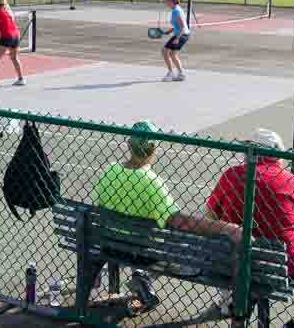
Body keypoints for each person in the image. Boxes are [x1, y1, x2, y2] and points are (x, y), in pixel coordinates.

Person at [94, 120, 242, 310]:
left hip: (110, 245)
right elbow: (179, 222)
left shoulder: (109, 171)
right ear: (154, 148)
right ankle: (144, 275)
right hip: (142, 253)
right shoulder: (153, 183)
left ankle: (141, 280)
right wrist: (226, 227)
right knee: (181, 239)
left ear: (129, 145)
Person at [206, 128, 294, 321]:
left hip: (233, 261)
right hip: (283, 265)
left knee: (223, 241)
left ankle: (227, 301)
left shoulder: (230, 175)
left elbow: (209, 217)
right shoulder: (292, 182)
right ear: (277, 155)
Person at [162, 0, 190, 82]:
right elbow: (177, 26)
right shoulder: (177, 9)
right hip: (184, 34)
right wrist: (168, 32)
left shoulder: (176, 11)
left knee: (165, 51)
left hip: (181, 35)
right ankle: (181, 74)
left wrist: (177, 38)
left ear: (171, 1)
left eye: (166, 1)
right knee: (172, 54)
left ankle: (170, 74)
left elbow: (181, 27)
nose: (165, 3)